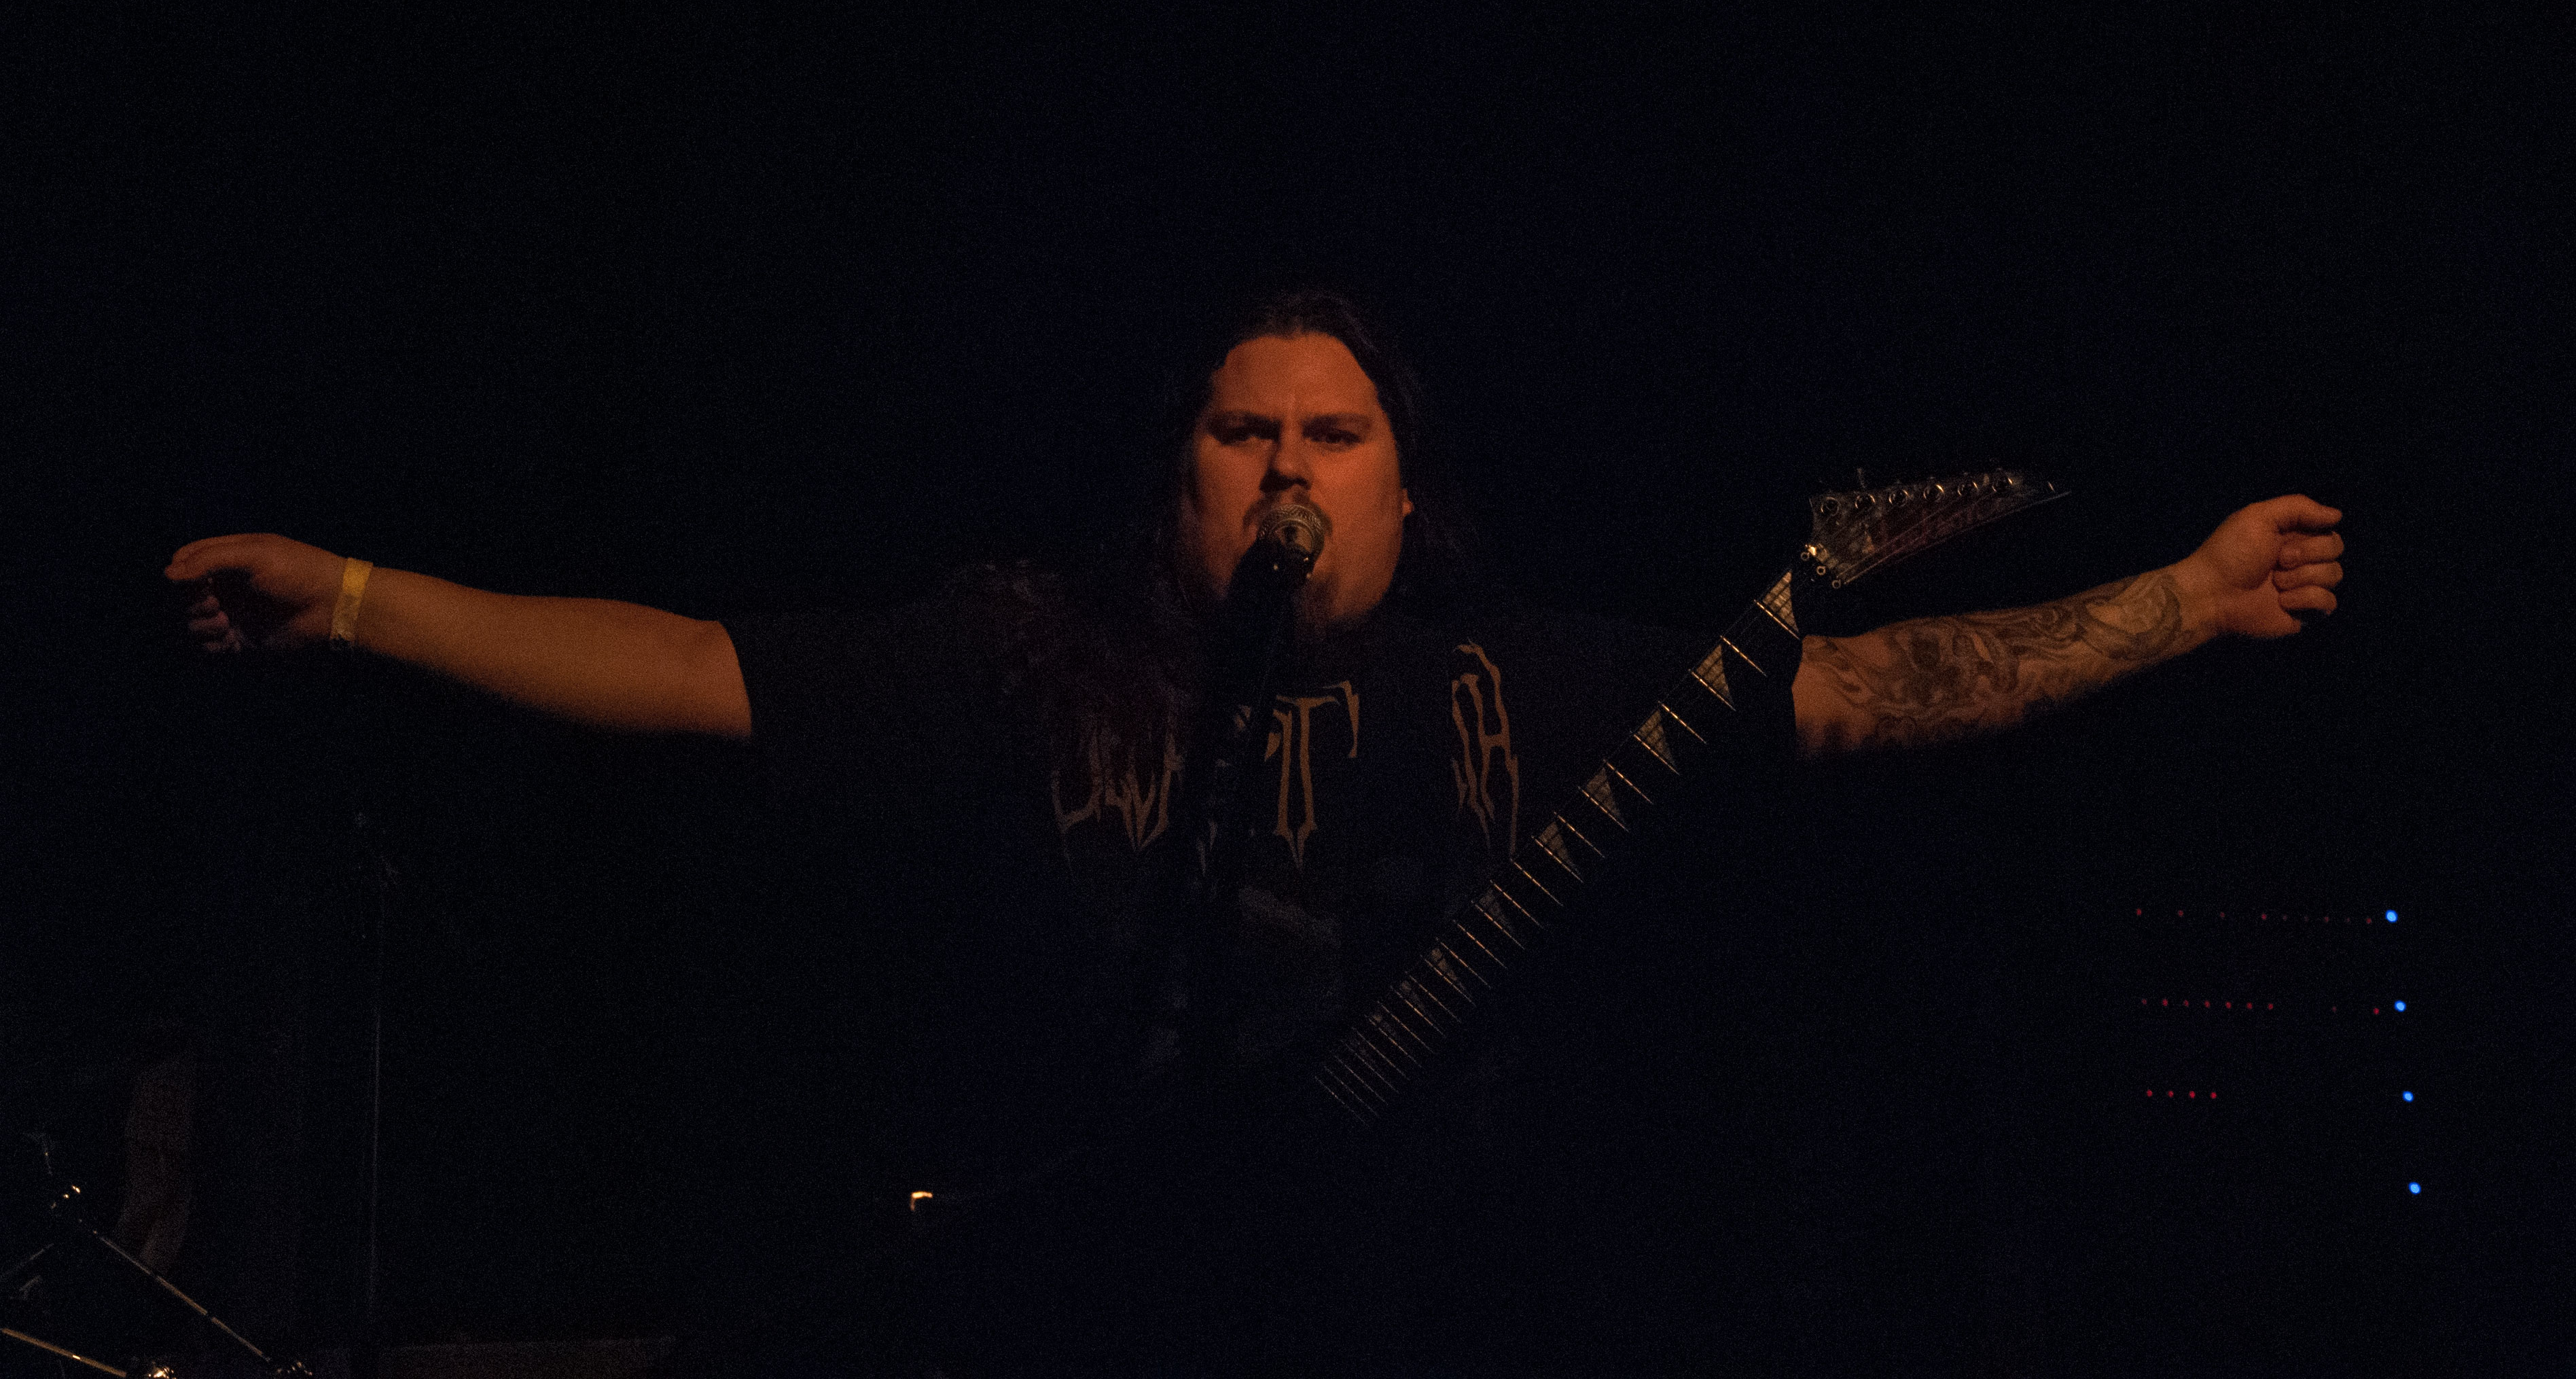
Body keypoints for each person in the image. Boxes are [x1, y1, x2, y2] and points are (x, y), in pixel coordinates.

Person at [165, 289, 2342, 1375]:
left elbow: (1862, 687)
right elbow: (684, 667)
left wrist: (2181, 601)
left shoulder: (1533, 680)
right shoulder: (1031, 657)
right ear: (1182, 474)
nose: (1287, 463)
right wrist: (355, 598)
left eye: (1335, 429)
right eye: (1242, 429)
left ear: (1404, 479)